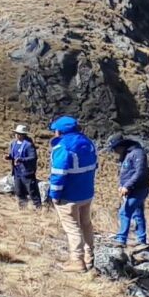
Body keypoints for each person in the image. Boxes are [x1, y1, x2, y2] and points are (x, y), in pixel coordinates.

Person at [46, 116, 99, 272]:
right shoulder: (88, 143)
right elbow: (95, 166)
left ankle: (77, 261)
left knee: (72, 228)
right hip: (86, 192)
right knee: (86, 224)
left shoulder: (63, 147)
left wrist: (54, 194)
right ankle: (89, 257)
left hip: (69, 195)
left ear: (60, 131)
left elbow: (58, 173)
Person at [111, 135, 149, 248]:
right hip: (131, 189)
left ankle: (121, 239)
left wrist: (127, 186)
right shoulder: (127, 155)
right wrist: (122, 186)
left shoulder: (137, 153)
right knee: (137, 213)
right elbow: (126, 173)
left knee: (124, 212)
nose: (114, 151)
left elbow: (140, 172)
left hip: (139, 189)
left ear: (121, 146)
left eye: (115, 148)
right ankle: (141, 239)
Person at [7, 125, 42, 208]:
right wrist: (8, 157)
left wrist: (21, 159)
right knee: (19, 191)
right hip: (17, 172)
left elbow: (33, 157)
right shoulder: (13, 143)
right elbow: (12, 155)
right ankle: (23, 208)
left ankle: (38, 208)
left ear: (23, 135)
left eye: (19, 134)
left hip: (27, 172)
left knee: (32, 191)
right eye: (16, 133)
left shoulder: (28, 145)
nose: (17, 135)